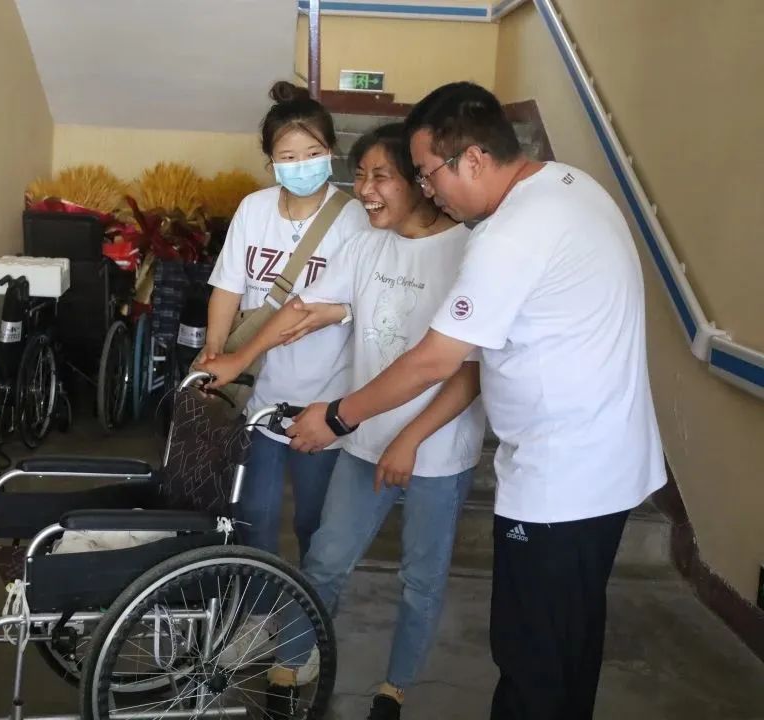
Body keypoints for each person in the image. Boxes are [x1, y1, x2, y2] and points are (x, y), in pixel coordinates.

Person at [283, 82, 667, 720]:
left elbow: (437, 360)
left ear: (475, 159)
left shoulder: (509, 233)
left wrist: (339, 416)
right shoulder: (573, 186)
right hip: (608, 467)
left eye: (428, 172)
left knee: (530, 660)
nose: (427, 190)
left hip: (559, 481)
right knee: (571, 646)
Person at [203, 122, 486, 720]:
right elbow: (300, 309)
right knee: (326, 559)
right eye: (359, 176)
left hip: (436, 451)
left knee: (420, 579)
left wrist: (410, 439)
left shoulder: (468, 252)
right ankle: (292, 660)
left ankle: (394, 689)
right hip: (365, 439)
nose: (364, 191)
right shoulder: (367, 245)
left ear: (419, 181)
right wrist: (237, 358)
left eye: (380, 176)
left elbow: (468, 373)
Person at [197, 80, 369, 661]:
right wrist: (216, 350)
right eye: (288, 157)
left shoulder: (355, 219)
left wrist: (337, 312)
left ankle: (310, 629)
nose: (301, 166)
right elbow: (228, 286)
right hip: (259, 396)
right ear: (270, 160)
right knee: (255, 518)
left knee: (316, 526)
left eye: (312, 153)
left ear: (331, 152)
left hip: (324, 399)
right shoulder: (253, 209)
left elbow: (364, 298)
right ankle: (258, 622)